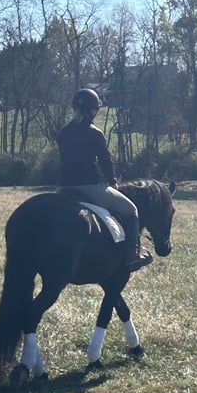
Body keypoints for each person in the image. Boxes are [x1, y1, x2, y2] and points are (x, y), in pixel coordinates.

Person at [57, 88, 153, 272]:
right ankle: (132, 256)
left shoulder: (64, 132)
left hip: (63, 187)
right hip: (91, 186)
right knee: (131, 210)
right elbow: (105, 160)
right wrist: (112, 181)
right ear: (92, 111)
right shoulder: (94, 132)